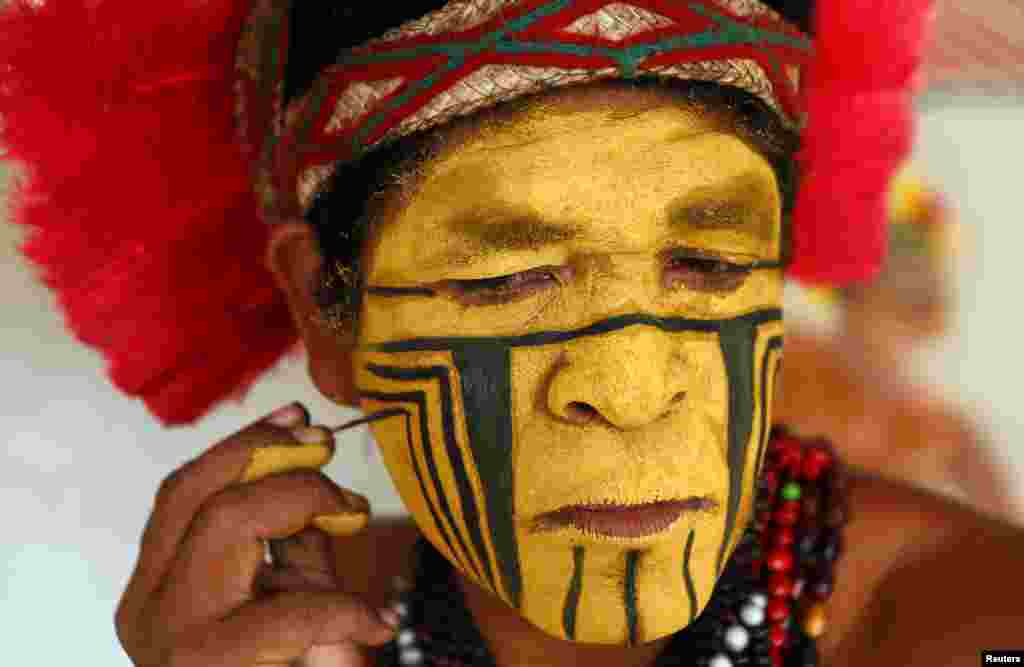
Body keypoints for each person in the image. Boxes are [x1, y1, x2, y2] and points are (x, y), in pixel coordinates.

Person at [2, 1, 1022, 667]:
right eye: (506, 279)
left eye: (710, 264)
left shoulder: (965, 615)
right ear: (325, 310)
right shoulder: (273, 628)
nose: (631, 387)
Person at [776, 174, 1021, 520]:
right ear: (847, 296)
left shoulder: (944, 433)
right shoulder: (782, 362)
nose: (882, 336)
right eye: (879, 300)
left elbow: (1009, 528)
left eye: (910, 305)